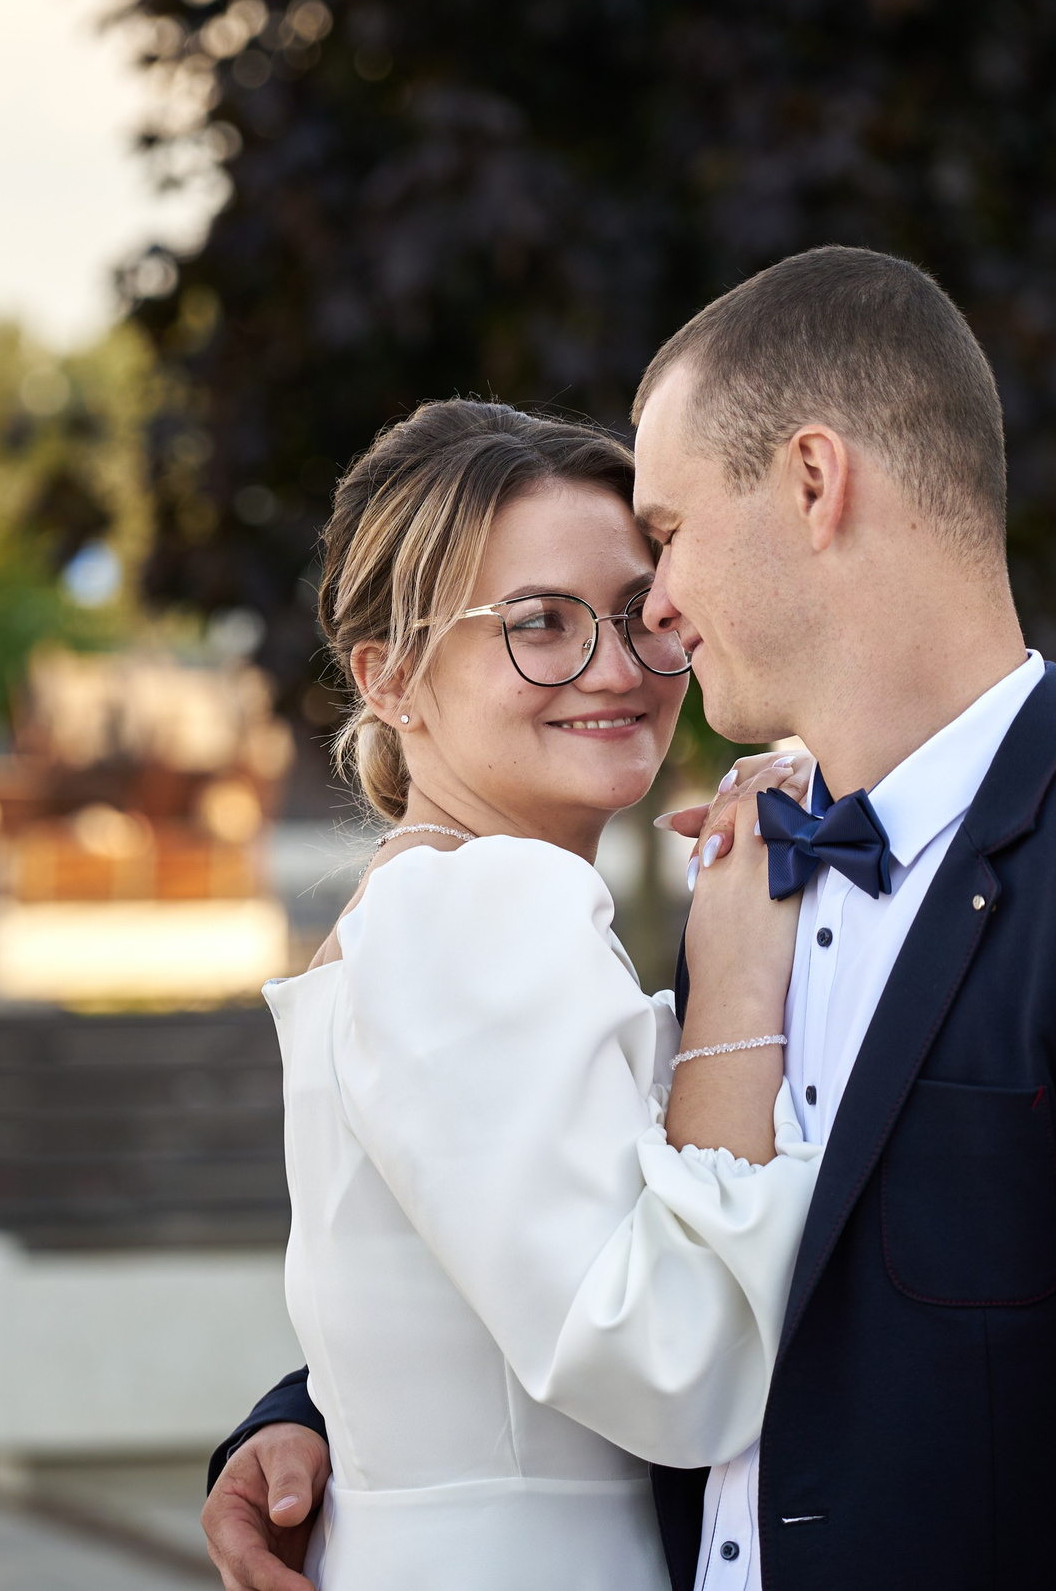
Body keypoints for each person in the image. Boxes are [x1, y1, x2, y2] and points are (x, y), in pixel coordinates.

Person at [206, 248, 1056, 1591]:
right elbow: (568, 1255)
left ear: (813, 481)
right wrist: (320, 1408)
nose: (655, 630)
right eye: (548, 621)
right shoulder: (742, 889)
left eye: (664, 548)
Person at [254, 399, 826, 1590]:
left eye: (638, 613)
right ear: (392, 676)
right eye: (538, 625)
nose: (614, 667)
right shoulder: (481, 904)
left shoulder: (419, 909)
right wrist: (735, 978)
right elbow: (676, 1364)